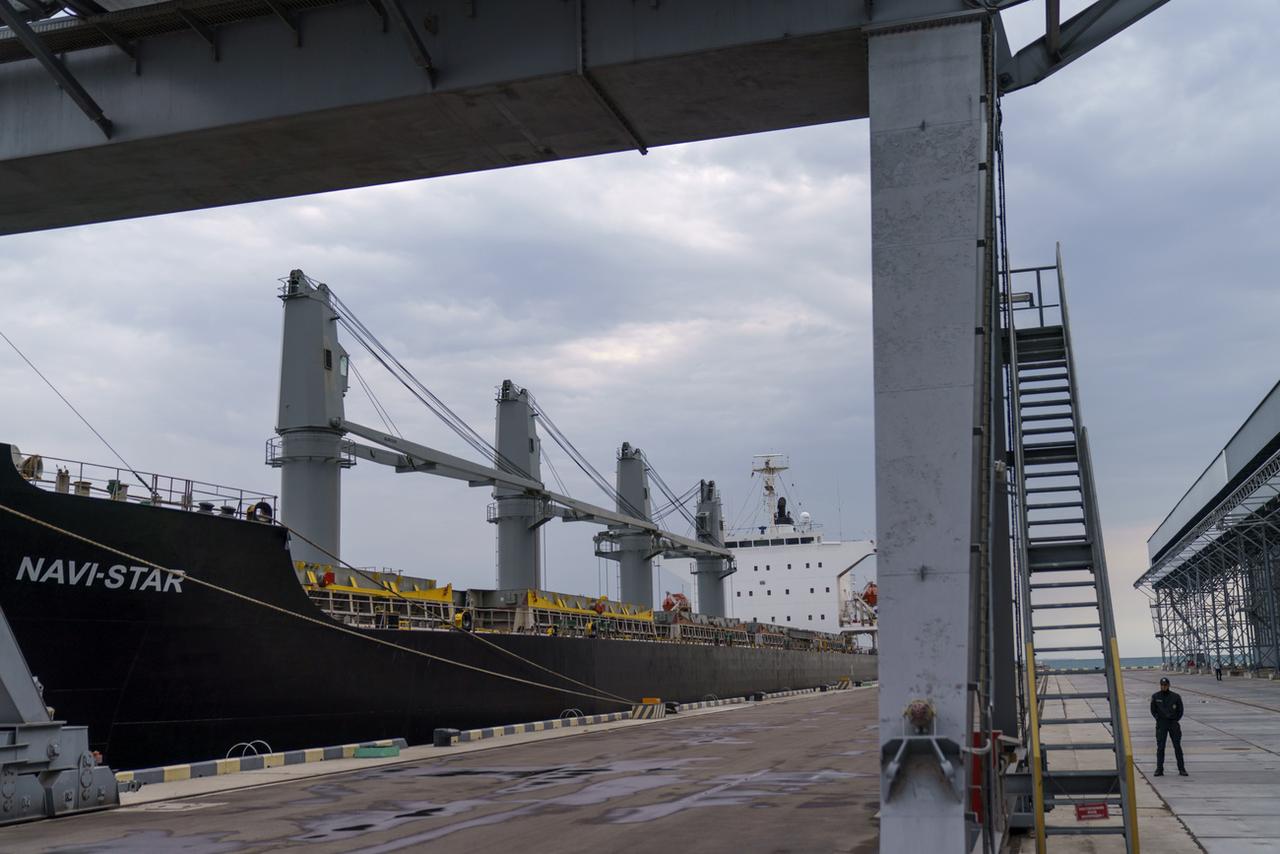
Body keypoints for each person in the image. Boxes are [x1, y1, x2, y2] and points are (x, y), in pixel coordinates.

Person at [1150, 677, 1187, 777]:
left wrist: (1175, 719)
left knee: (1177, 747)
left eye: (1165, 685)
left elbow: (1180, 711)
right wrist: (1158, 719)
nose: (1164, 686)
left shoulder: (1176, 697)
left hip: (1173, 724)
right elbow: (1153, 710)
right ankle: (1159, 769)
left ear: (1169, 685)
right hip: (1162, 724)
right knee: (1160, 747)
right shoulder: (1155, 696)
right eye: (1162, 685)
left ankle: (1181, 769)